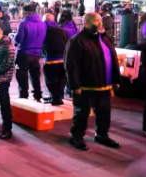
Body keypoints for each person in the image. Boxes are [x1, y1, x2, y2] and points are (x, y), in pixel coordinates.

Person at [64, 12, 121, 151]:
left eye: (100, 20)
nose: (100, 23)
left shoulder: (105, 38)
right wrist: (75, 85)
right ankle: (76, 136)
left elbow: (113, 60)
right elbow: (71, 65)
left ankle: (102, 135)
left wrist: (116, 80)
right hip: (86, 86)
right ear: (87, 23)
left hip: (105, 85)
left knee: (104, 113)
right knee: (81, 114)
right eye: (96, 21)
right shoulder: (77, 40)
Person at [14, 4, 46, 101]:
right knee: (35, 76)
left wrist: (13, 38)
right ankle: (38, 95)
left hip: (24, 53)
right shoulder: (42, 24)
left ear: (25, 12)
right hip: (36, 54)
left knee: (22, 76)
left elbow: (19, 39)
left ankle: (24, 95)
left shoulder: (24, 24)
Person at [41, 13, 68, 105]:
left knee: (51, 79)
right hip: (63, 59)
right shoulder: (62, 30)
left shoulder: (44, 30)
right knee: (61, 79)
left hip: (50, 59)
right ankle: (59, 97)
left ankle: (55, 98)